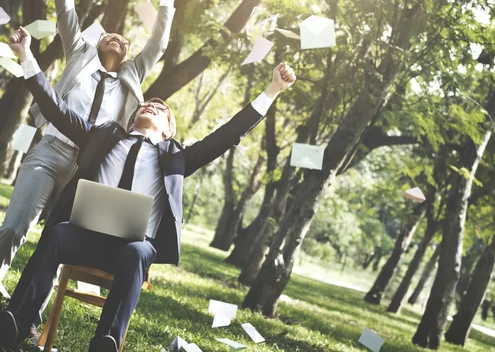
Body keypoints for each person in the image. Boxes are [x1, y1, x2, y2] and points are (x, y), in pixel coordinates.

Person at [0, 27, 295, 352]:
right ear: (131, 120)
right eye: (147, 104)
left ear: (169, 130)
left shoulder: (178, 158)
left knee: (138, 251)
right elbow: (55, 107)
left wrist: (273, 89)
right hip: (83, 238)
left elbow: (228, 135)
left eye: (161, 108)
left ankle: (105, 342)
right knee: (56, 234)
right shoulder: (104, 135)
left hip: (129, 251)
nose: (152, 105)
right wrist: (26, 55)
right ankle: (16, 323)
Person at [0, 0, 175, 301]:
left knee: (59, 240)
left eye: (123, 40)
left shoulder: (133, 74)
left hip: (89, 170)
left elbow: (158, 44)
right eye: (109, 35)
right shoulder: (80, 53)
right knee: (15, 225)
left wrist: (166, 4)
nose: (116, 38)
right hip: (52, 151)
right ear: (96, 42)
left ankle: (31, 314)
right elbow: (66, 12)